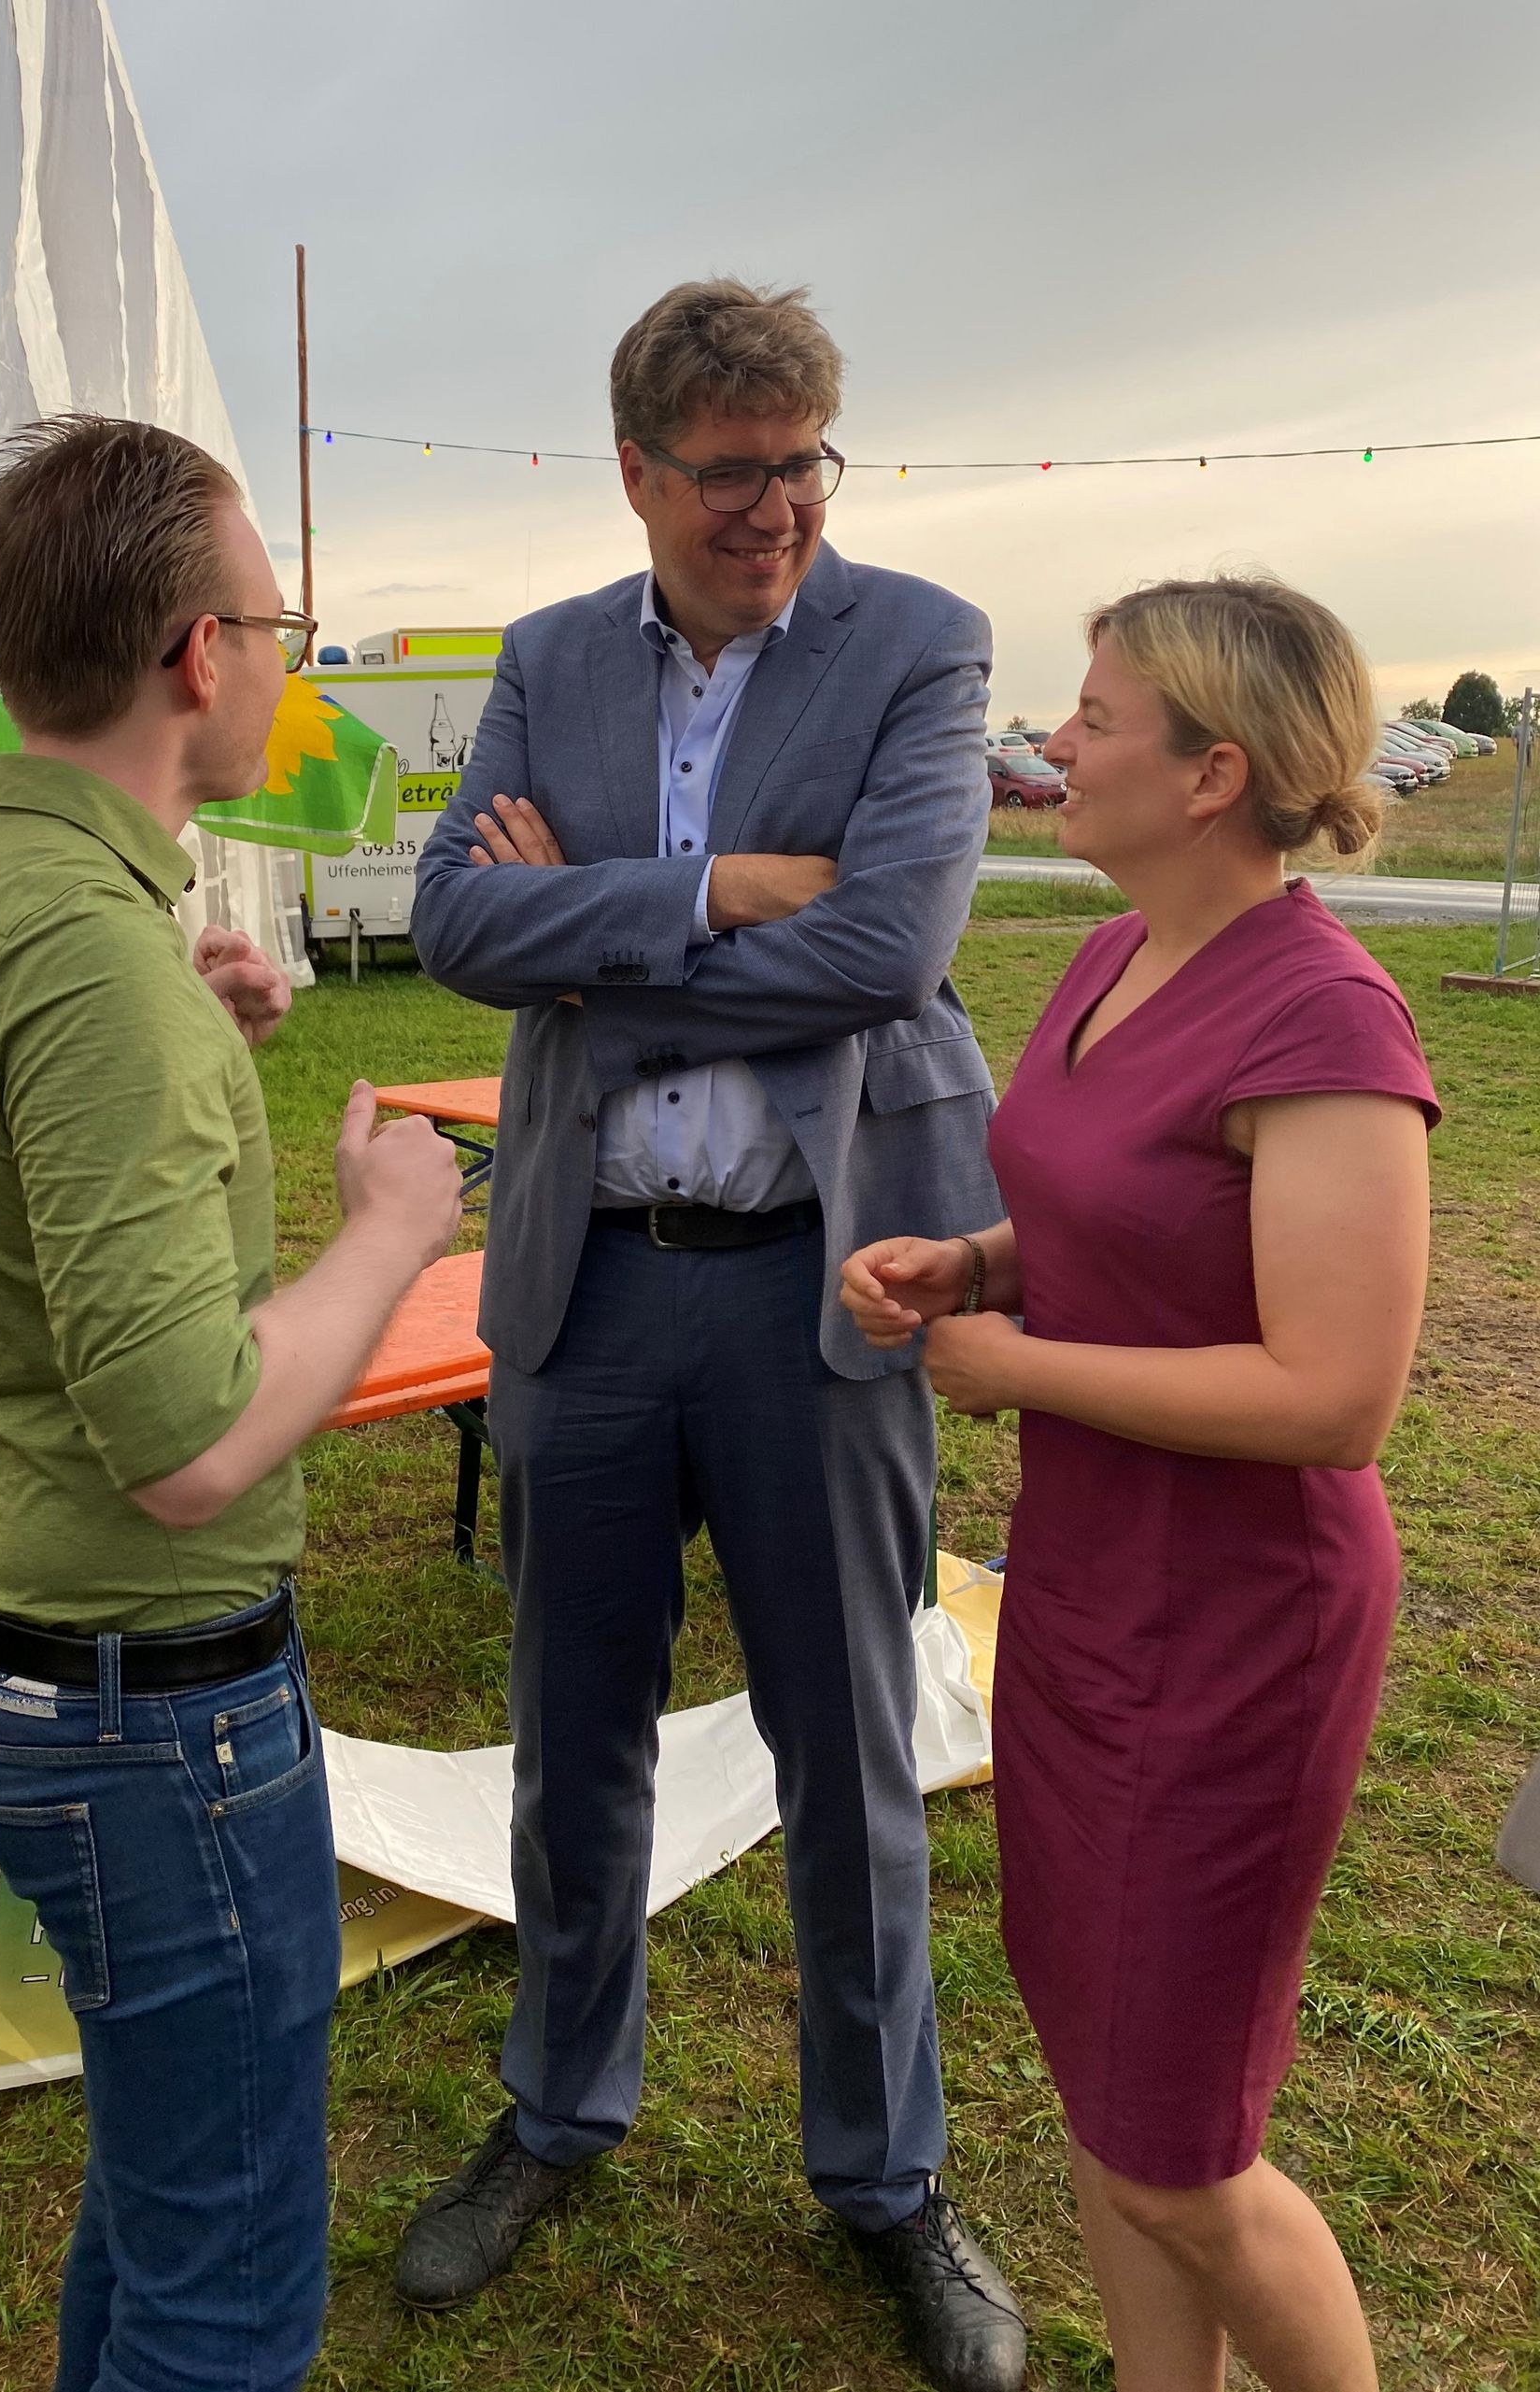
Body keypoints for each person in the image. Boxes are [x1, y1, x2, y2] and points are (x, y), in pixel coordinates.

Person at [402, 280, 1027, 2392]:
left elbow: (890, 949)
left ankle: (889, 2178)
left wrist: (593, 941)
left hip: (816, 1278)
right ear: (638, 473)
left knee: (848, 1747)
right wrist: (720, 890)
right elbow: (454, 920)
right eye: (735, 473)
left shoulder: (917, 641)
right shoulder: (548, 657)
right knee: (571, 1734)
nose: (779, 510)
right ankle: (557, 2107)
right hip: (587, 1282)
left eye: (806, 462)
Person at [0, 416, 463, 2392]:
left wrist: (179, 1034)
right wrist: (390, 1231)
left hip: (31, 1648)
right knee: (228, 2280)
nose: (287, 657)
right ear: (201, 655)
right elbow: (189, 1444)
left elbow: (11, 1182)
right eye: (281, 624)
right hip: (152, 1714)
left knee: (168, 2173)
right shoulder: (93, 968)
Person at [842, 576, 1437, 2392]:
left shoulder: (1327, 1020)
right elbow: (1129, 1208)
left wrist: (1014, 1367)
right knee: (1110, 2095)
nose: (1056, 742)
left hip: (1242, 1626)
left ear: (1211, 774)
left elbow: (1336, 1395)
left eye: (1095, 718)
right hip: (1089, 1589)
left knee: (1185, 2152)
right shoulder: (1116, 956)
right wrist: (982, 1262)